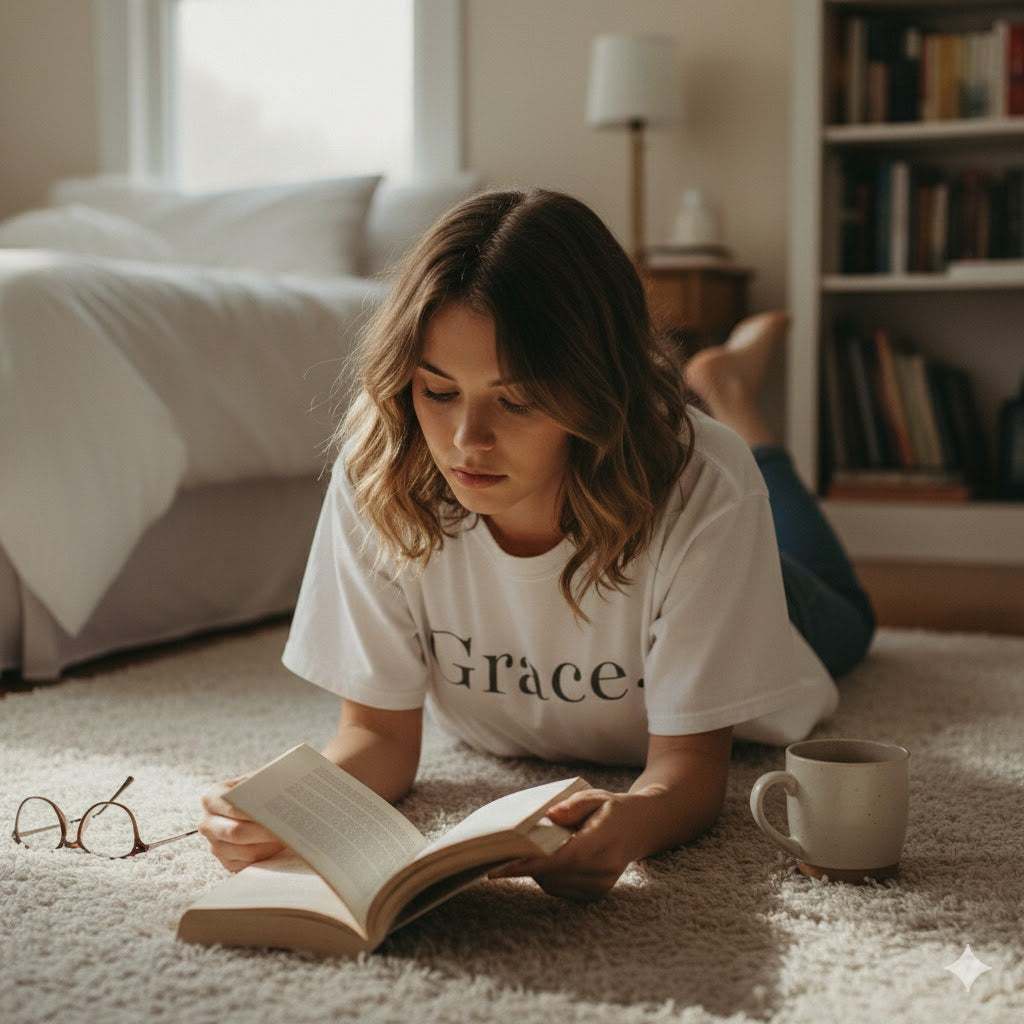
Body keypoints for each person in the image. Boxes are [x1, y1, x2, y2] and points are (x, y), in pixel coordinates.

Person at [197, 188, 876, 901]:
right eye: (438, 391)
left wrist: (632, 823)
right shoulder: (384, 465)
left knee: (849, 616)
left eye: (516, 401)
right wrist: (287, 804)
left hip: (769, 594)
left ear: (595, 388)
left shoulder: (702, 481)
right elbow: (381, 738)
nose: (467, 442)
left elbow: (692, 771)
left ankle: (731, 395)